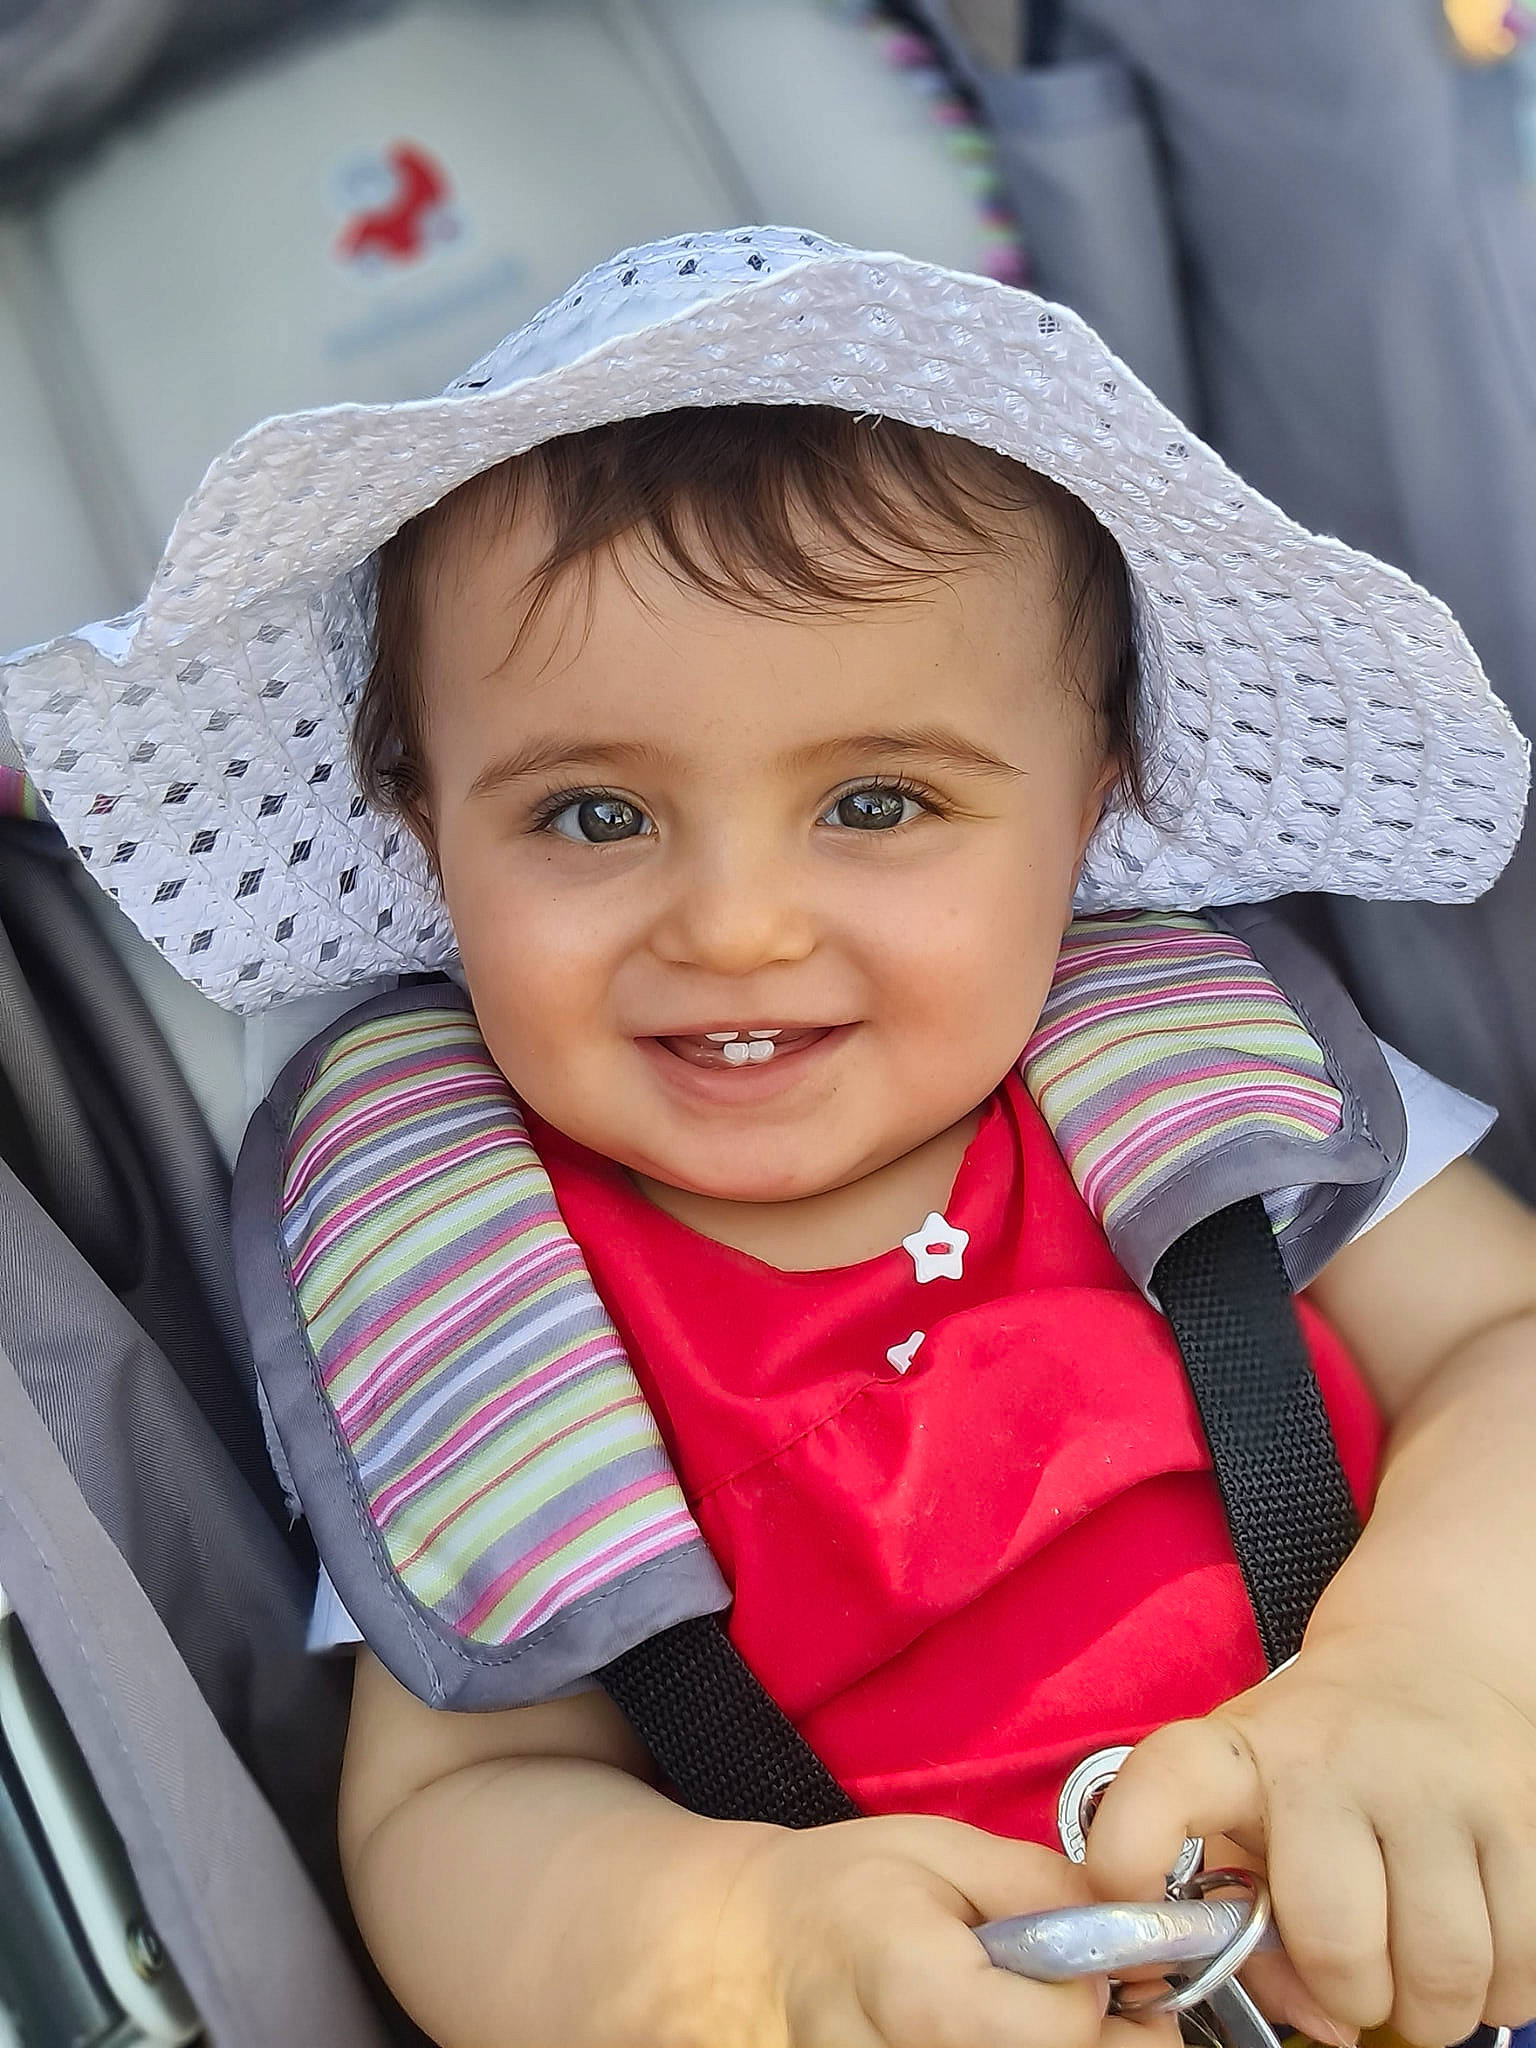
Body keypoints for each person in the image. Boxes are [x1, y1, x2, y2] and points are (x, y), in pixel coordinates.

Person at [4, 228, 1534, 2048]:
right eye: (590, 815)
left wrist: (1439, 1667)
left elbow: (1507, 1351)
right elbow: (451, 1812)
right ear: (424, 827)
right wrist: (740, 1951)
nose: (731, 926)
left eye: (876, 802)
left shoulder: (1207, 1079)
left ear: (1096, 791)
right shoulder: (456, 1280)